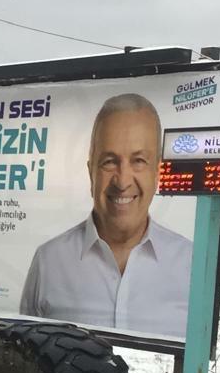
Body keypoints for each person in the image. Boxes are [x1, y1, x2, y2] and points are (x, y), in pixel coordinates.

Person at [19, 92, 193, 337]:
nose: (122, 181)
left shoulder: (192, 266)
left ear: (158, 172)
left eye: (139, 161)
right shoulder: (48, 261)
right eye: (109, 162)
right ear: (91, 172)